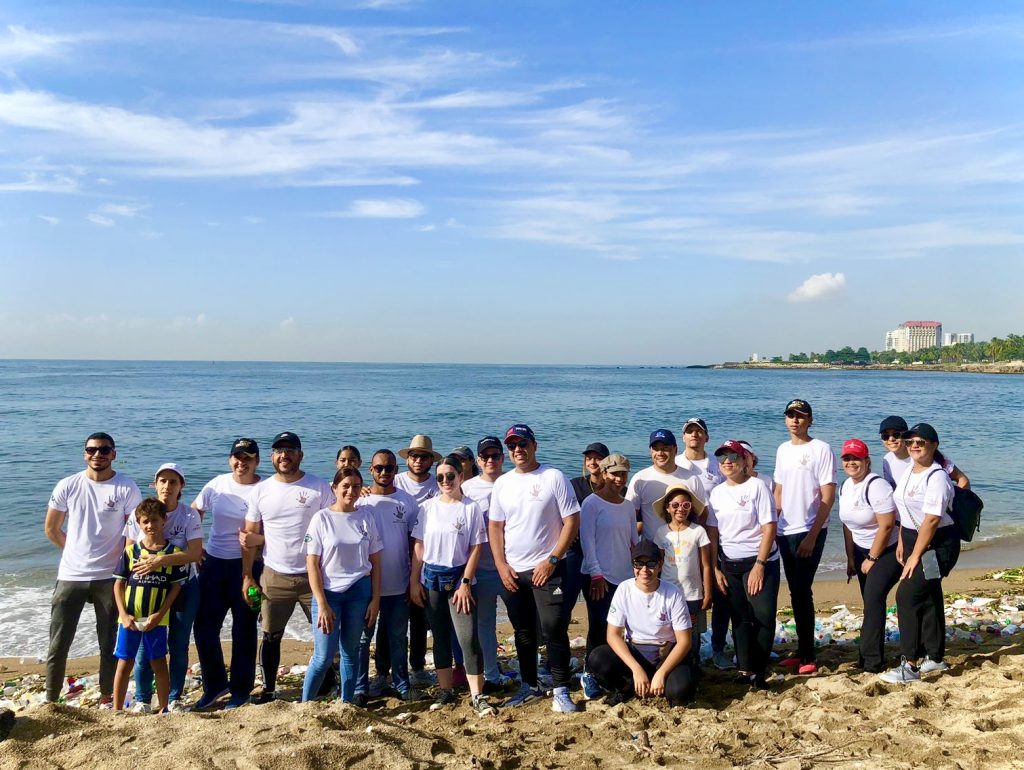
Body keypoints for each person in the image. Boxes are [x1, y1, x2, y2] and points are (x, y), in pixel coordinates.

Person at [44, 432, 142, 706]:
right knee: (58, 643)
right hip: (71, 576)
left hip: (109, 577)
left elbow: (133, 534)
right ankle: (51, 700)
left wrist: (125, 567)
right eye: (92, 450)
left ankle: (106, 696)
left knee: (109, 642)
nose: (98, 455)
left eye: (104, 450)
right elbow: (52, 529)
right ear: (84, 453)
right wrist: (74, 550)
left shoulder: (126, 487)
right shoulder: (68, 484)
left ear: (114, 454)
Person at [489, 423, 581, 712]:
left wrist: (553, 559)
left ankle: (561, 689)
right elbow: (495, 526)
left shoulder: (553, 477)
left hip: (547, 568)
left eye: (523, 444)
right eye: (512, 446)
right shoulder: (503, 483)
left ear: (534, 445)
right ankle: (529, 686)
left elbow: (572, 521)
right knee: (523, 631)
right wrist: (501, 565)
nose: (518, 450)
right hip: (514, 572)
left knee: (554, 628)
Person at [243, 432, 335, 704]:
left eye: (290, 450)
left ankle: (327, 684)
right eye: (279, 451)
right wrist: (248, 576)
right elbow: (249, 539)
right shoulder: (260, 490)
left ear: (300, 455)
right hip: (275, 575)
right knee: (270, 635)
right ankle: (269, 688)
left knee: (325, 632)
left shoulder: (318, 488)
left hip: (314, 576)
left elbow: (334, 525)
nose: (284, 456)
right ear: (272, 456)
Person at [410, 456, 497, 716]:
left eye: (450, 476)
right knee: (440, 638)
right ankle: (446, 690)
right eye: (440, 477)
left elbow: (475, 548)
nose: (445, 481)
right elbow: (419, 545)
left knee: (468, 638)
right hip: (432, 579)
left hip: (459, 578)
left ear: (460, 476)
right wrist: (414, 581)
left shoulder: (470, 507)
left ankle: (477, 695)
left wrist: (466, 583)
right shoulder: (427, 508)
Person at [881, 423, 960, 684]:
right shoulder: (909, 471)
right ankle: (935, 657)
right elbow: (905, 509)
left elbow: (932, 521)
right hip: (915, 539)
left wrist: (915, 555)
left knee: (907, 595)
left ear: (934, 445)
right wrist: (904, 541)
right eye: (911, 441)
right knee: (929, 596)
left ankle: (910, 664)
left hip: (938, 545)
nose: (914, 445)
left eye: (921, 441)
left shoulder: (936, 477)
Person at [191, 438, 263, 711]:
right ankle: (215, 685)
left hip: (249, 568)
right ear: (230, 459)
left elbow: (278, 530)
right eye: (237, 457)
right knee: (205, 627)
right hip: (213, 564)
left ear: (257, 461)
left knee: (243, 629)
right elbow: (193, 513)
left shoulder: (264, 488)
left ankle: (241, 690)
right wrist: (194, 548)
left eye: (247, 458)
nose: (241, 463)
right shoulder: (217, 484)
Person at [125, 463, 203, 713]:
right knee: (144, 647)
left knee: (178, 644)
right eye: (163, 481)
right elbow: (129, 551)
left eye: (173, 481)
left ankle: (174, 698)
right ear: (155, 484)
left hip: (183, 587)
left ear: (181, 486)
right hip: (146, 590)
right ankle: (142, 699)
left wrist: (161, 560)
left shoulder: (188, 515)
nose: (167, 486)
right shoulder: (140, 513)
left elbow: (195, 553)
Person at [302, 468, 382, 703]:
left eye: (356, 486)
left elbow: (376, 562)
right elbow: (312, 564)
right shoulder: (321, 518)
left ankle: (346, 704)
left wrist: (375, 599)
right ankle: (304, 705)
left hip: (359, 591)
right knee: (323, 656)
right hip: (329, 594)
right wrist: (322, 604)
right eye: (345, 485)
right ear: (334, 488)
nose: (351, 490)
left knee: (351, 653)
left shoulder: (366, 517)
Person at [586, 540, 697, 706]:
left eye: (651, 563)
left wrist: (662, 672)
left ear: (660, 565)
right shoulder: (624, 589)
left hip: (665, 655)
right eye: (639, 564)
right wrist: (636, 668)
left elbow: (684, 641)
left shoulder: (673, 593)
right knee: (597, 659)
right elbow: (613, 635)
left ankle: (663, 682)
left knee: (680, 692)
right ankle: (627, 687)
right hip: (636, 652)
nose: (645, 570)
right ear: (633, 566)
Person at [707, 440, 780, 690]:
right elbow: (714, 532)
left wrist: (760, 564)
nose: (727, 462)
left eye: (732, 457)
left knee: (763, 615)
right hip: (730, 564)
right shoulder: (716, 492)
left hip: (760, 561)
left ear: (744, 461)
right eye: (722, 458)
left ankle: (759, 671)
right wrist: (716, 567)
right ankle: (745, 669)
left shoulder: (758, 486)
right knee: (739, 618)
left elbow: (769, 526)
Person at [773, 399, 836, 675]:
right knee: (795, 592)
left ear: (810, 420)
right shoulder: (783, 449)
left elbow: (828, 496)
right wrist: (772, 525)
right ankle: (800, 650)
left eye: (800, 416)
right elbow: (778, 490)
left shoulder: (820, 449)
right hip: (784, 530)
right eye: (790, 415)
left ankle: (809, 654)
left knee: (802, 590)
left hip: (810, 529)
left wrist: (812, 535)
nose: (795, 420)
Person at [354, 450, 422, 703]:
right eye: (379, 468)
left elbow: (416, 543)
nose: (384, 472)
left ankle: (402, 685)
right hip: (365, 586)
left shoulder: (407, 502)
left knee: (397, 637)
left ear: (397, 470)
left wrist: (414, 580)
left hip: (398, 583)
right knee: (363, 639)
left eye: (390, 468)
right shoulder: (360, 501)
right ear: (370, 470)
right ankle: (360, 688)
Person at [112, 498, 187, 712]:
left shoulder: (172, 554)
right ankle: (117, 711)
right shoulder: (130, 552)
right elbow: (118, 584)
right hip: (130, 618)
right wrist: (123, 615)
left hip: (157, 619)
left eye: (154, 520)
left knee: (158, 663)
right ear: (138, 523)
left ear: (164, 520)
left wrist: (160, 614)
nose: (150, 526)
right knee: (124, 663)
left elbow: (176, 587)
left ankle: (163, 709)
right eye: (145, 521)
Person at [578, 453, 638, 699]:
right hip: (599, 577)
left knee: (623, 628)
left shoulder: (627, 506)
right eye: (614, 473)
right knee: (599, 627)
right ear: (604, 474)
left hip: (624, 577)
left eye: (623, 474)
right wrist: (596, 574)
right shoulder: (591, 503)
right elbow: (587, 542)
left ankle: (615, 671)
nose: (619, 479)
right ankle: (589, 674)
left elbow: (633, 541)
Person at [837, 439, 899, 673]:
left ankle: (872, 662)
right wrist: (851, 557)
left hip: (886, 551)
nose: (851, 463)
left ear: (867, 461)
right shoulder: (845, 486)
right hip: (862, 551)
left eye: (856, 458)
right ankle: (865, 656)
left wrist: (872, 558)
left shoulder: (877, 486)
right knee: (869, 603)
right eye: (847, 459)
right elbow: (847, 525)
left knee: (873, 601)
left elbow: (886, 525)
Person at [460, 437, 514, 692]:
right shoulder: (467, 488)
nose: (490, 460)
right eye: (485, 456)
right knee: (485, 625)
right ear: (478, 461)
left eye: (495, 455)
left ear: (503, 457)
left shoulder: (514, 482)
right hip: (481, 569)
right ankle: (491, 674)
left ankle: (529, 671)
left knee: (524, 621)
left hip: (514, 565)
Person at [395, 435, 442, 685]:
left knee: (420, 616)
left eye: (424, 457)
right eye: (414, 456)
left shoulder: (438, 484)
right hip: (395, 556)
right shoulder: (395, 481)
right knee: (395, 617)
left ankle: (418, 667)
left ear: (431, 461)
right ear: (408, 459)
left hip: (424, 557)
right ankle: (389, 669)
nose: (418, 460)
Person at [651, 486, 712, 664]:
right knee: (670, 631)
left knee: (692, 634)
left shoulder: (698, 531)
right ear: (668, 508)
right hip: (668, 593)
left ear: (691, 508)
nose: (680, 509)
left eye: (686, 505)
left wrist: (707, 594)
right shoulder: (662, 532)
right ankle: (672, 665)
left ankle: (693, 665)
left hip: (692, 594)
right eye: (675, 505)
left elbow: (706, 566)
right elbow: (658, 566)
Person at [626, 429, 710, 539]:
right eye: (656, 449)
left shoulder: (692, 478)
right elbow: (629, 515)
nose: (660, 453)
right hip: (652, 549)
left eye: (665, 449)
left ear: (675, 449)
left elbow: (702, 513)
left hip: (685, 548)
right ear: (651, 451)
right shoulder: (640, 478)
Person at [878, 416, 970, 490]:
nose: (891, 439)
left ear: (907, 436)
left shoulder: (924, 455)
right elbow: (892, 490)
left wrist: (960, 505)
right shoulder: (887, 459)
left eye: (896, 434)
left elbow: (962, 479)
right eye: (885, 436)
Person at [676, 418, 725, 491]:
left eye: (699, 431)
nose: (694, 435)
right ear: (683, 438)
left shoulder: (719, 462)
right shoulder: (674, 463)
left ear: (707, 438)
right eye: (689, 431)